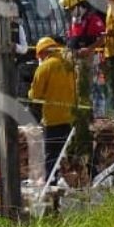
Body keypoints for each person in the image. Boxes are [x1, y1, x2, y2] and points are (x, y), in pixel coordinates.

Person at [27, 36, 77, 185]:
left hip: (53, 118)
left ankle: (49, 181)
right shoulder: (69, 65)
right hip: (69, 116)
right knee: (61, 151)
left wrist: (29, 94)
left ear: (42, 52)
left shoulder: (45, 67)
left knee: (50, 153)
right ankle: (58, 178)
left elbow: (35, 95)